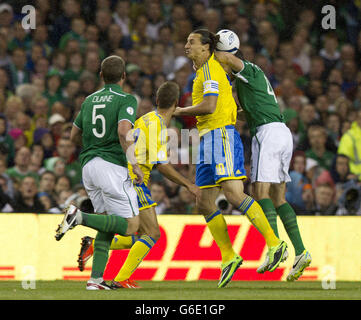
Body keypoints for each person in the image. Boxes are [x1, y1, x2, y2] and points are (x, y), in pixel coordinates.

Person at [174, 29, 288, 288]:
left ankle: (274, 243)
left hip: (221, 135)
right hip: (206, 138)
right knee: (203, 201)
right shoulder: (203, 72)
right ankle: (229, 256)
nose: (186, 45)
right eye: (186, 41)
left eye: (191, 42)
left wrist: (177, 110)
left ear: (206, 48)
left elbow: (210, 106)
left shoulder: (211, 69)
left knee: (234, 194)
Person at [76, 81, 201, 289]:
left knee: (136, 232)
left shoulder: (147, 119)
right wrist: (189, 185)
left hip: (123, 176)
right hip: (133, 180)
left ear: (157, 100)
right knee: (152, 233)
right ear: (176, 104)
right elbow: (161, 165)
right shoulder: (157, 125)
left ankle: (94, 245)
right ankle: (121, 278)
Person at [214, 48, 311, 281]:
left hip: (267, 134)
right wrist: (231, 112)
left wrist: (210, 51)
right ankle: (300, 252)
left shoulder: (247, 69)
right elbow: (250, 113)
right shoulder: (251, 81)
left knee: (259, 191)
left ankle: (274, 246)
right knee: (278, 198)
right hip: (280, 131)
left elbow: (226, 58)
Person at [55, 55, 144, 291]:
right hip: (112, 166)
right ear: (124, 76)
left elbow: (74, 137)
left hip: (89, 167)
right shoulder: (126, 99)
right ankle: (78, 217)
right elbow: (124, 131)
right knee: (131, 226)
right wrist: (134, 164)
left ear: (101, 75)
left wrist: (93, 142)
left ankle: (96, 280)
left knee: (106, 224)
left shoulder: (89, 100)